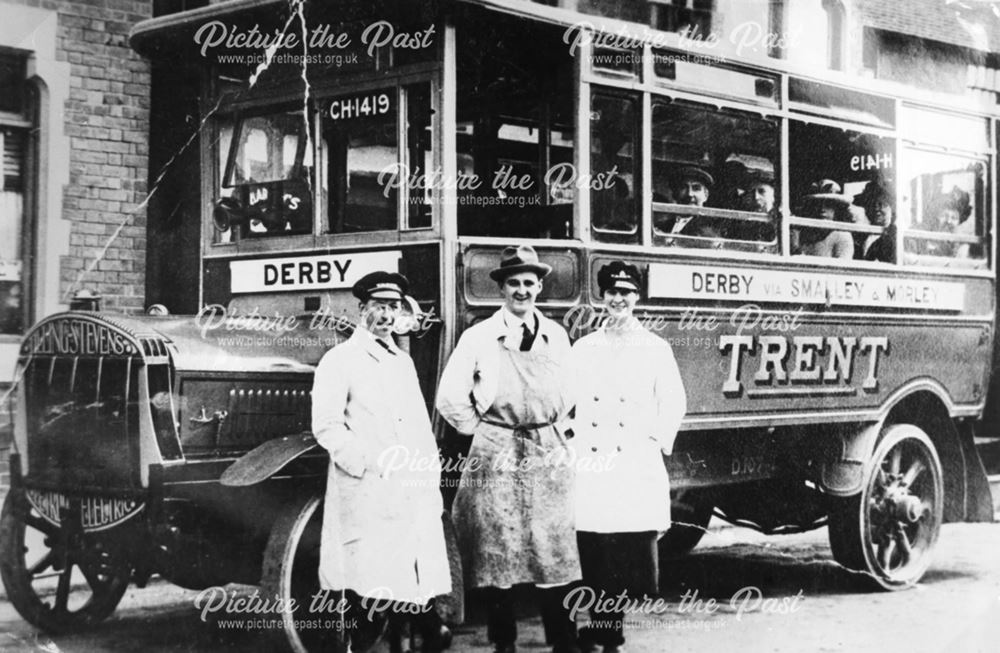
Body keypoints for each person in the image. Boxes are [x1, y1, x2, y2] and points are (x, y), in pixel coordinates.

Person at [436, 244, 580, 653]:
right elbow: (449, 397)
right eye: (513, 283)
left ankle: (564, 641)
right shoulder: (479, 336)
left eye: (529, 284)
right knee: (496, 551)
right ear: (502, 288)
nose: (522, 291)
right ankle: (504, 643)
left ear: (539, 287)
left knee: (553, 547)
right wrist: (482, 432)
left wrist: (558, 434)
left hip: (546, 448)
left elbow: (570, 393)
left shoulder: (556, 335)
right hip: (496, 448)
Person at [312, 271, 452, 652]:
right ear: (362, 310)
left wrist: (427, 476)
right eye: (379, 307)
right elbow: (326, 427)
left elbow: (420, 428)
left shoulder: (402, 362)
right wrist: (368, 464)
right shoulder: (340, 360)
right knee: (367, 587)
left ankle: (407, 641)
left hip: (407, 492)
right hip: (367, 492)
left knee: (408, 581)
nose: (387, 315)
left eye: (393, 307)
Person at [570, 261, 687, 653]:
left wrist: (652, 442)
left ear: (637, 298)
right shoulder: (584, 348)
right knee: (594, 551)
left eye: (626, 293)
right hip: (591, 463)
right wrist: (572, 441)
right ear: (601, 297)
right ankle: (604, 631)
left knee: (624, 552)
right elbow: (564, 402)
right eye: (611, 293)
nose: (618, 299)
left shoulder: (655, 348)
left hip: (632, 464)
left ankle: (610, 636)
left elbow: (673, 402)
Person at [654, 165, 724, 239]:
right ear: (674, 194)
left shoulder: (711, 228)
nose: (689, 194)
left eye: (696, 188)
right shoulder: (662, 226)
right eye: (683, 187)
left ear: (705, 195)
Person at [793, 179, 854, 259]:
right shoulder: (805, 235)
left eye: (828, 205)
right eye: (817, 204)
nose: (822, 209)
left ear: (836, 208)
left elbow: (842, 268)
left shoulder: (842, 236)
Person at [853, 180, 895, 262]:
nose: (876, 209)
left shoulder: (895, 236)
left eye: (881, 204)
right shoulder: (861, 235)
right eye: (872, 204)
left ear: (891, 208)